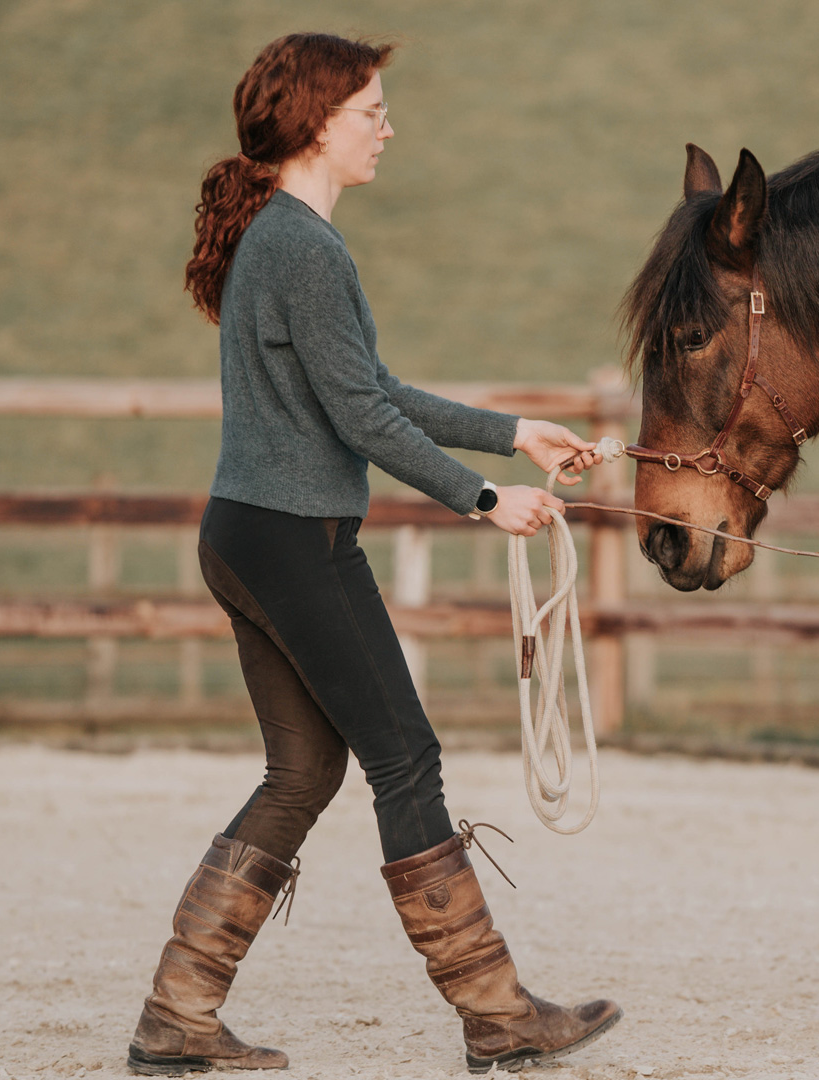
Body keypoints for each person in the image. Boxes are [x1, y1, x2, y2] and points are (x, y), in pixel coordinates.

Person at [127, 32, 620, 1077]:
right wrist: (483, 500)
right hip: (294, 540)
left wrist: (512, 430)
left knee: (304, 770)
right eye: (371, 113)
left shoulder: (286, 238)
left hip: (247, 533)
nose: (387, 130)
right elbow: (359, 414)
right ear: (316, 124)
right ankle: (496, 1013)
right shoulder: (304, 246)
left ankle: (178, 1015)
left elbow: (374, 389)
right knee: (406, 757)